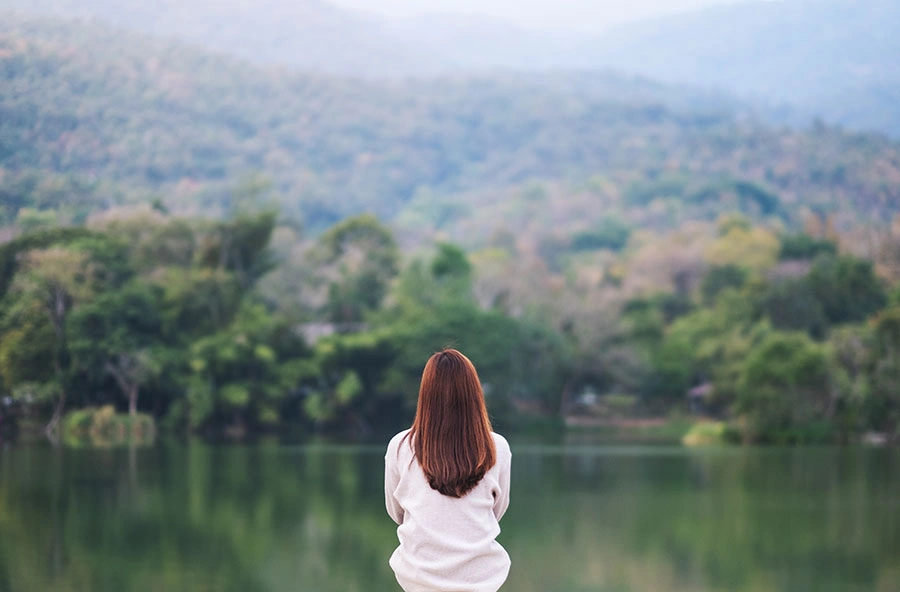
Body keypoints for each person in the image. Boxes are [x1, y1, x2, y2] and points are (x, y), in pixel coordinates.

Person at [384, 349, 512, 592]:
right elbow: (497, 511)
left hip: (417, 578)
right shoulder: (497, 447)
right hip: (482, 581)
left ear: (426, 394)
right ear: (474, 394)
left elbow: (397, 512)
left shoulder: (400, 446)